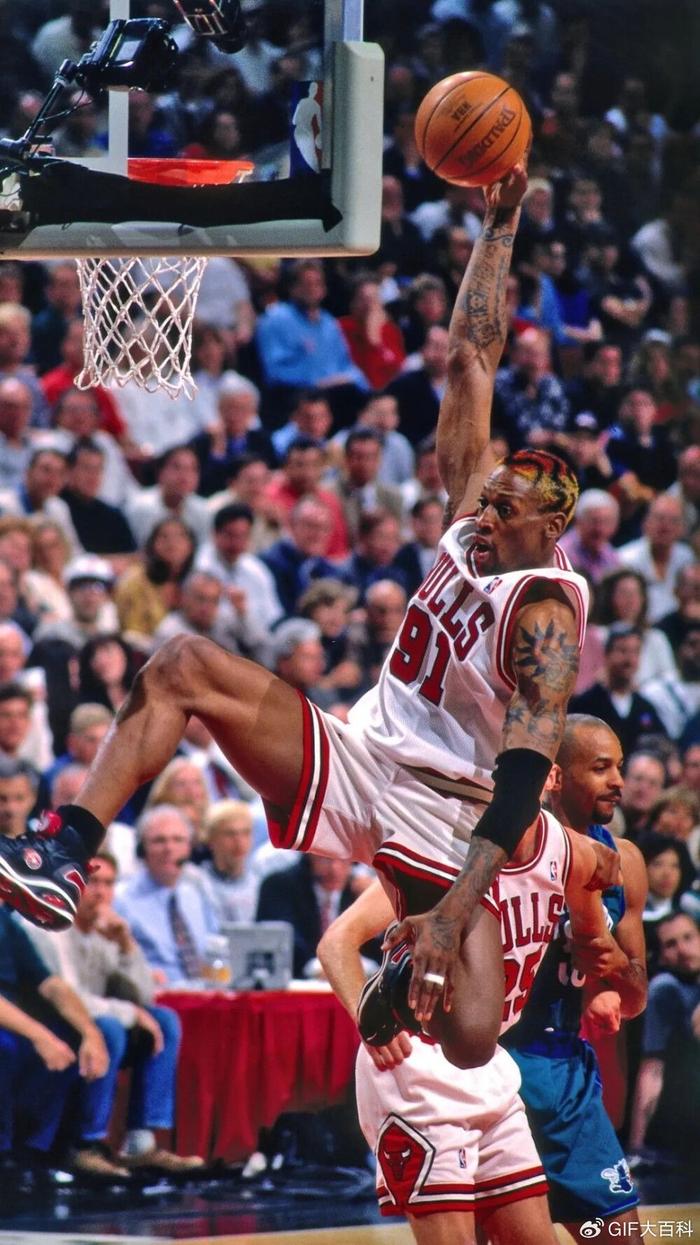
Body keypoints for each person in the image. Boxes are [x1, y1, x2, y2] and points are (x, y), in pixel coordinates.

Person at [0, 166, 597, 1072]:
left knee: (474, 1037)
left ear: (548, 531)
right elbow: (472, 356)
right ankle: (66, 847)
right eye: (488, 496)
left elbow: (519, 782)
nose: (484, 513)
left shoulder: (546, 613)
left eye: (505, 510)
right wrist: (501, 224)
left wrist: (450, 909)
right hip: (363, 755)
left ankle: (405, 958)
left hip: (453, 809)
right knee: (183, 662)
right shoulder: (473, 513)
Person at [317, 754, 623, 1245]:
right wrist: (367, 1020)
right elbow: (336, 941)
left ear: (550, 777)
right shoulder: (444, 850)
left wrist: (606, 976)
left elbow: (598, 943)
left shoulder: (570, 852)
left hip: (490, 1062)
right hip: (418, 1064)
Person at [28, 851, 205, 1177]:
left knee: (165, 1020)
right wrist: (130, 1012)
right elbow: (68, 996)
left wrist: (126, 946)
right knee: (109, 1029)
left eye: (108, 884)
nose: (100, 892)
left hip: (93, 1017)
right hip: (51, 1021)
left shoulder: (105, 929)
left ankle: (140, 1142)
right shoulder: (50, 926)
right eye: (91, 882)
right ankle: (86, 1144)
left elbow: (144, 995)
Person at [629, 912, 700, 1158]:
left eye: (689, 937)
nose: (683, 950)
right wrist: (637, 1146)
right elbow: (652, 1070)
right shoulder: (665, 988)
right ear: (660, 956)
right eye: (671, 944)